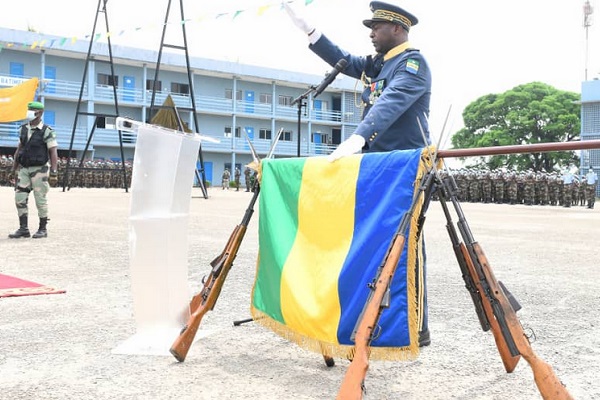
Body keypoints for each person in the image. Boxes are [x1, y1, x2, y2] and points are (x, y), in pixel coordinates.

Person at [285, 1, 432, 347]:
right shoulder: (378, 65)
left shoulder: (412, 64)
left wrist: (358, 136)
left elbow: (390, 103)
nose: (370, 33)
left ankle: (416, 323)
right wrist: (309, 30)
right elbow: (342, 59)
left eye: (376, 27)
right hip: (377, 166)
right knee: (374, 242)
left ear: (397, 29)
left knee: (405, 243)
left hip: (406, 168)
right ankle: (375, 317)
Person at [8, 101, 59, 239]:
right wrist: (14, 169)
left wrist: (54, 172)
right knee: (19, 198)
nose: (29, 112)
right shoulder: (23, 129)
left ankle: (42, 229)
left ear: (40, 112)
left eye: (32, 110)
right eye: (28, 109)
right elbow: (19, 149)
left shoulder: (47, 131)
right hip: (24, 169)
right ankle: (23, 229)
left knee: (40, 199)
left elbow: (53, 152)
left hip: (40, 169)